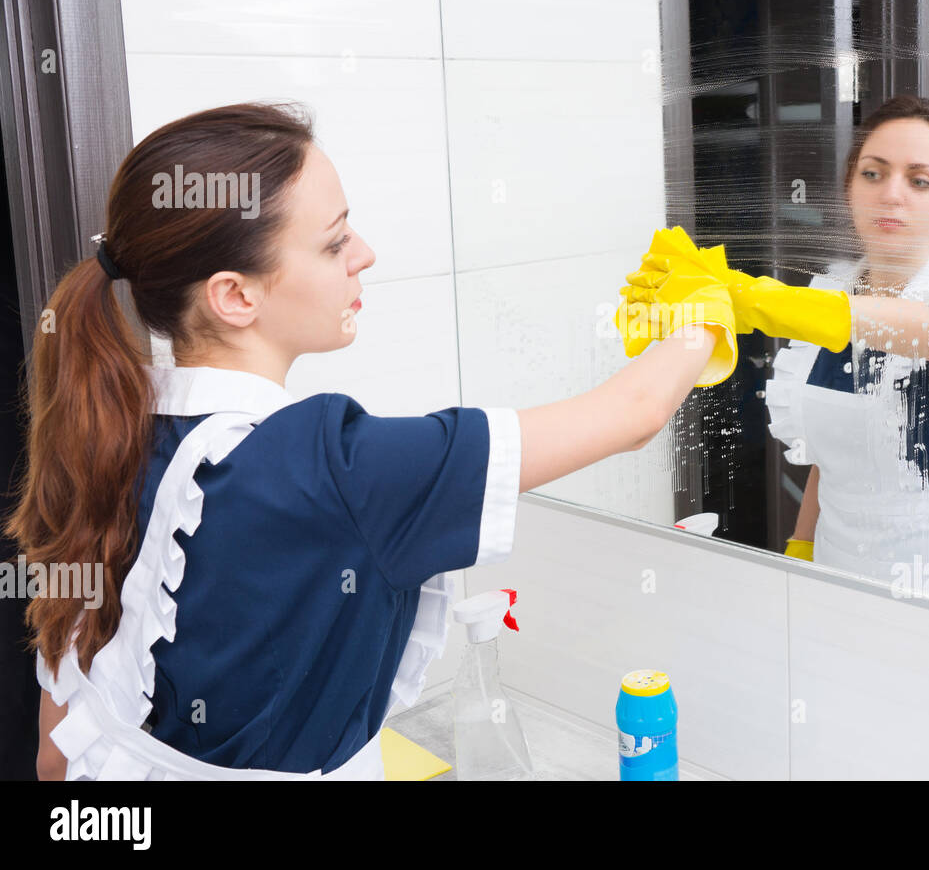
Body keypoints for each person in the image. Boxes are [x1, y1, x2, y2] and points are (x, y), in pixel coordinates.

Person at [10, 101, 736, 780]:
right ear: (236, 296)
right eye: (333, 243)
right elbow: (635, 411)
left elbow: (54, 754)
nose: (366, 253)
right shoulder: (340, 471)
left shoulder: (106, 439)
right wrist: (711, 303)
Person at [618, 95, 929, 622]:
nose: (892, 194)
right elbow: (835, 460)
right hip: (841, 562)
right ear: (850, 186)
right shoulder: (833, 288)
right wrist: (800, 552)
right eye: (874, 173)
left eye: (921, 181)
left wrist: (760, 301)